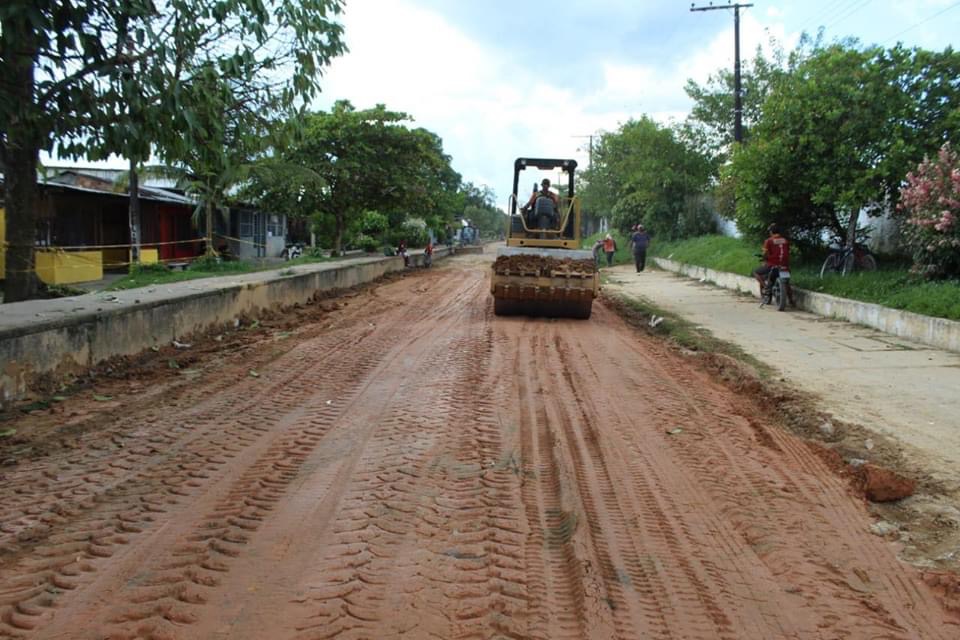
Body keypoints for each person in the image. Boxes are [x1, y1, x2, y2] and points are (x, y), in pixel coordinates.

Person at [753, 223, 795, 306]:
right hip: (785, 265)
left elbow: (765, 253)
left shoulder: (768, 241)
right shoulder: (785, 240)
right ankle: (791, 300)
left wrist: (764, 257)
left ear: (771, 232)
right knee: (786, 282)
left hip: (772, 265)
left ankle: (766, 288)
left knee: (755, 272)